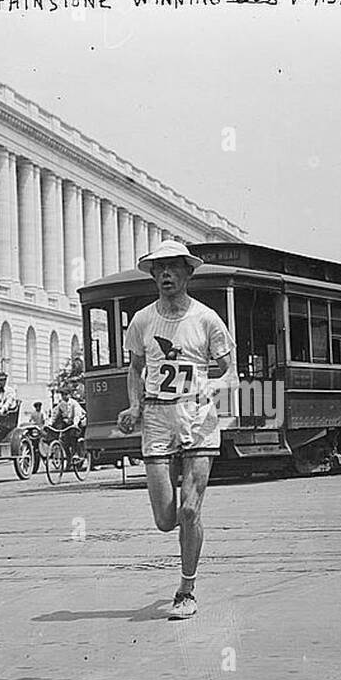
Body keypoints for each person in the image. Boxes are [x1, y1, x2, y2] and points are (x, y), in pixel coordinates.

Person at [117, 240, 232, 620]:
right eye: (158, 269)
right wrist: (134, 405)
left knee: (188, 509)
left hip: (197, 420)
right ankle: (184, 568)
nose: (165, 274)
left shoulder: (207, 319)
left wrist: (211, 390)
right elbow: (135, 368)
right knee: (166, 519)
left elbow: (229, 369)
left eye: (172, 268)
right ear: (152, 275)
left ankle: (186, 589)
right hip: (156, 419)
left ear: (188, 272)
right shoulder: (143, 320)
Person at [49, 388, 86, 459]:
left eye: (66, 394)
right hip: (68, 424)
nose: (64, 396)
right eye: (62, 395)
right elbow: (55, 414)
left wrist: (75, 423)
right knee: (64, 441)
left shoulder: (74, 403)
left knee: (73, 436)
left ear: (69, 395)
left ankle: (76, 453)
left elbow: (77, 415)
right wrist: (50, 423)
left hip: (79, 422)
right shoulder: (61, 404)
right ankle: (69, 458)